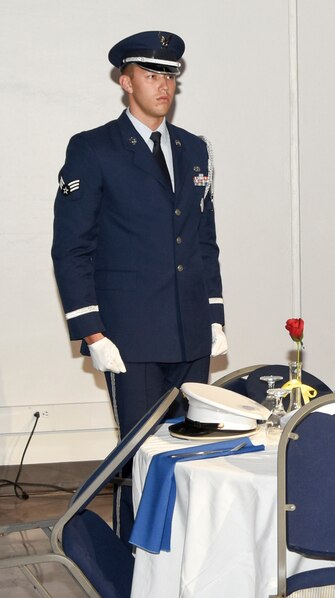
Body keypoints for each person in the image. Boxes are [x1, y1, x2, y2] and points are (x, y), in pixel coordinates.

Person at [52, 30, 227, 539]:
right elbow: (71, 248)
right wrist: (92, 331)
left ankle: (185, 552)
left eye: (170, 75)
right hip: (129, 336)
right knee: (139, 454)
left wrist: (214, 316)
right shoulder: (94, 149)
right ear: (126, 82)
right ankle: (136, 560)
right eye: (151, 75)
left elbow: (204, 242)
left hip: (190, 332)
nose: (163, 85)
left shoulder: (194, 149)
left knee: (190, 451)